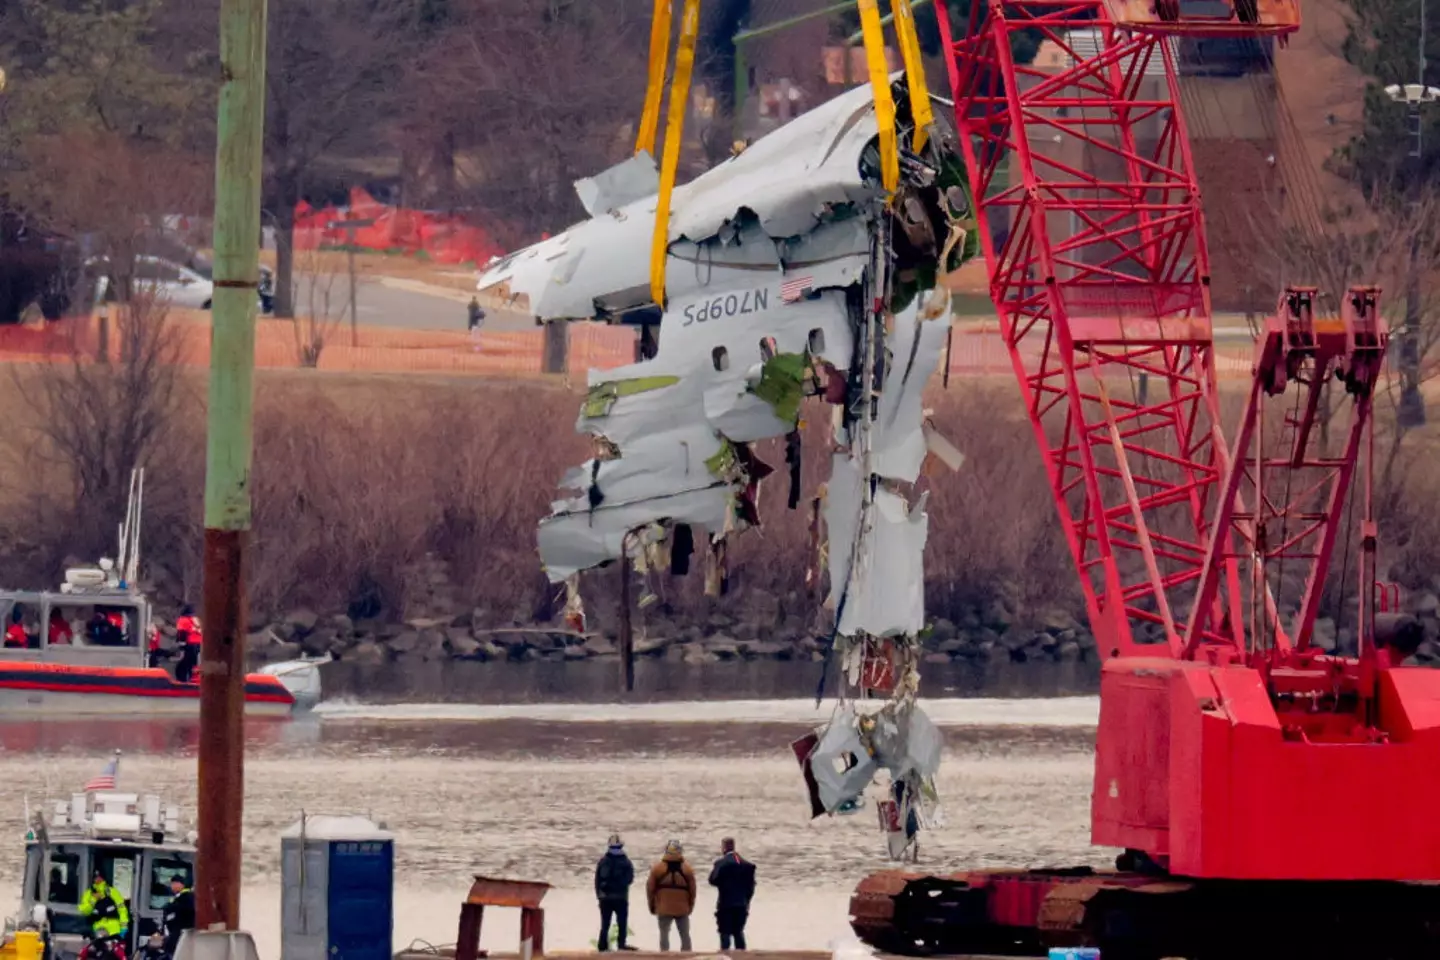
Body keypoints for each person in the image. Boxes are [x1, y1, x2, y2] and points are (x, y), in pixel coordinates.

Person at [646, 840, 695, 952]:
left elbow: (650, 889)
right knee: (685, 935)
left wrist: (652, 906)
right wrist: (690, 906)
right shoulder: (687, 869)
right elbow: (693, 891)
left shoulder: (657, 868)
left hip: (663, 907)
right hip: (682, 909)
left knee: (664, 934)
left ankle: (664, 955)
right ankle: (687, 955)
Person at [709, 838, 757, 950]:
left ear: (724, 848)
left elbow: (712, 880)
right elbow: (751, 887)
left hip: (725, 903)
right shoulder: (747, 865)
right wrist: (747, 900)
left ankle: (725, 955)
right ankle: (742, 956)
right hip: (742, 904)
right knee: (738, 932)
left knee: (725, 932)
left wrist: (723, 884)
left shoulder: (721, 863)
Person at [594, 834, 636, 952]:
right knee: (622, 923)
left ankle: (602, 946)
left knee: (605, 923)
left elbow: (597, 880)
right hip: (621, 897)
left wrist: (599, 895)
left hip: (605, 898)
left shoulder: (603, 861)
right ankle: (621, 945)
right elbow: (630, 879)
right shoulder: (626, 862)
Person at [78, 871, 128, 944]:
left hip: (114, 931)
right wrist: (93, 899)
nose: (98, 879)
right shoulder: (88, 894)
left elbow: (122, 910)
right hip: (97, 931)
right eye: (96, 877)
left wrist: (124, 928)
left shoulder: (113, 892)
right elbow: (85, 911)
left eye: (100, 877)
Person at [161, 875, 194, 958]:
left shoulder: (186, 898)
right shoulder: (179, 898)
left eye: (174, 883)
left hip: (179, 934)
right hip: (176, 934)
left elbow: (178, 914)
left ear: (181, 884)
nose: (172, 886)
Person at [174, 605, 201, 683]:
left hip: (190, 643)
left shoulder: (183, 620)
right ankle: (193, 678)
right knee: (193, 662)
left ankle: (183, 679)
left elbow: (182, 632)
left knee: (186, 663)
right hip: (198, 643)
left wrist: (181, 643)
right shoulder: (196, 620)